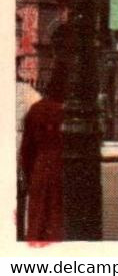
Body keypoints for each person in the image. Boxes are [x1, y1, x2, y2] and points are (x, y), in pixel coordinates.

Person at [17, 63, 67, 244]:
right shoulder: (65, 112)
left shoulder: (35, 110)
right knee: (56, 221)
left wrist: (29, 175)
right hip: (60, 169)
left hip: (39, 167)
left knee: (37, 220)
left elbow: (26, 149)